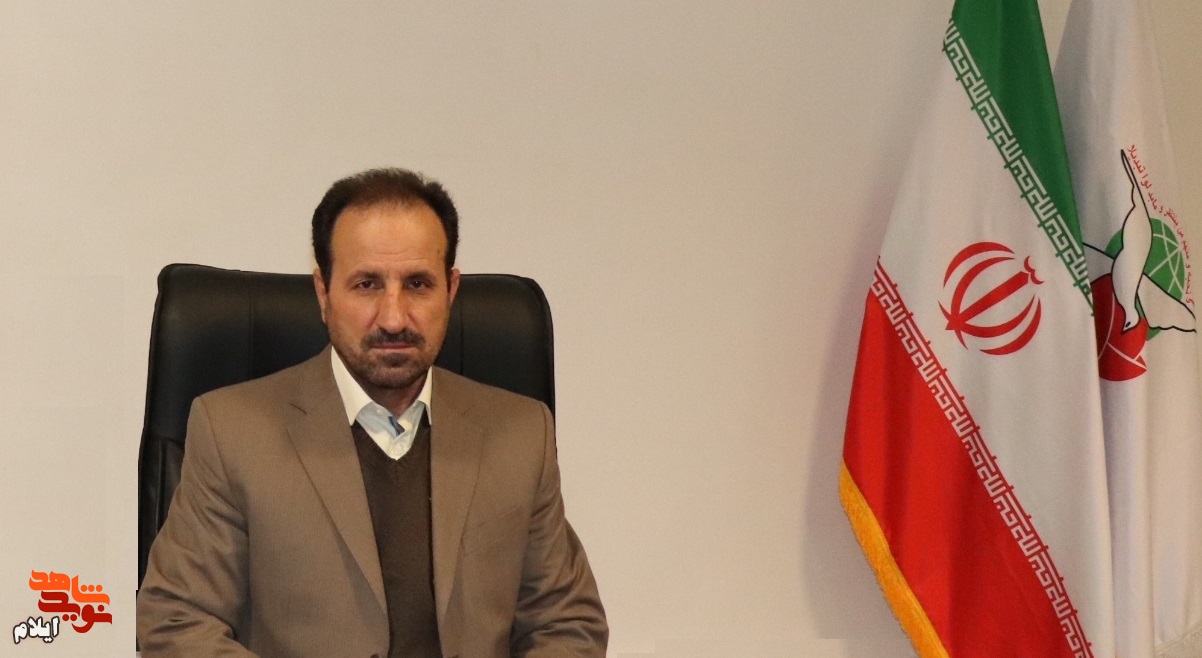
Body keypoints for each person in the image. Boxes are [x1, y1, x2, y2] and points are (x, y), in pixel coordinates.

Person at [137, 168, 607, 657]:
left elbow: (567, 625)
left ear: (451, 290)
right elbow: (178, 620)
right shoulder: (232, 432)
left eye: (418, 284)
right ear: (323, 292)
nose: (394, 318)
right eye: (366, 284)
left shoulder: (520, 435)